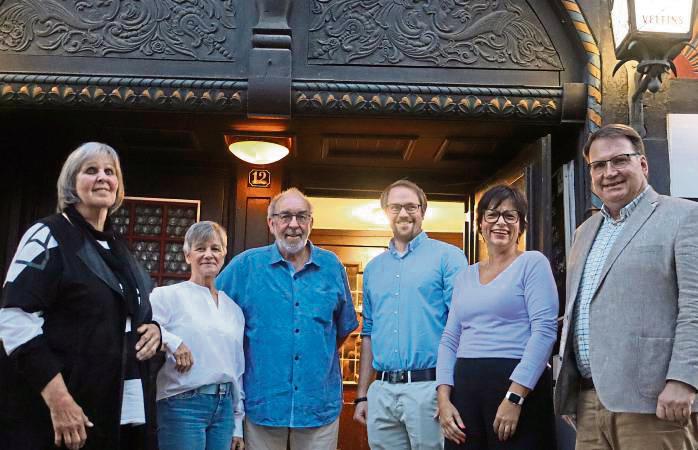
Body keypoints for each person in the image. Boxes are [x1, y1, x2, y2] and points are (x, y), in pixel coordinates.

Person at [0, 142, 163, 450]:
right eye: (91, 171)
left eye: (109, 172)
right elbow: (14, 319)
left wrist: (153, 329)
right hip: (62, 416)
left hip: (120, 414)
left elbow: (128, 312)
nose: (102, 178)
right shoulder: (49, 235)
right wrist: (59, 400)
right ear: (72, 183)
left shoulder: (119, 249)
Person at [554, 123, 698, 450]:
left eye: (620, 160)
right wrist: (572, 389)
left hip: (656, 403)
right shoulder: (584, 232)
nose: (610, 172)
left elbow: (695, 306)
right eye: (599, 165)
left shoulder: (685, 217)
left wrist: (684, 379)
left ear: (643, 164)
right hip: (589, 404)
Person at [216, 187, 359, 450]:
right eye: (286, 216)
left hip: (318, 407)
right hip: (263, 405)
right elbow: (208, 307)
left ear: (311, 223)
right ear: (271, 223)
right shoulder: (245, 266)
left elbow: (341, 330)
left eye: (302, 216)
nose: (294, 224)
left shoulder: (332, 266)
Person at [436, 185, 558, 450]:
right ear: (480, 224)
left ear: (520, 226)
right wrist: (444, 400)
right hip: (465, 389)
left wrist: (515, 397)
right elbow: (449, 339)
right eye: (492, 215)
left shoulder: (533, 264)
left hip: (516, 386)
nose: (500, 222)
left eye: (510, 216)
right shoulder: (464, 276)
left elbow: (544, 331)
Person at [352, 179, 467, 450]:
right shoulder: (373, 269)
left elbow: (462, 326)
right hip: (381, 393)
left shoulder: (449, 258)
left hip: (429, 389)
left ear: (422, 212)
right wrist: (362, 396)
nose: (403, 213)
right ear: (386, 213)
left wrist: (448, 394)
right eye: (395, 207)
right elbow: (368, 333)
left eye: (411, 207)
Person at [151, 221, 245, 450]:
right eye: (200, 248)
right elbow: (142, 330)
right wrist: (173, 342)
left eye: (215, 248)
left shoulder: (234, 309)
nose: (208, 255)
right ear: (187, 255)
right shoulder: (167, 296)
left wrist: (237, 423)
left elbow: (237, 368)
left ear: (224, 254)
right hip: (182, 404)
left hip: (223, 409)